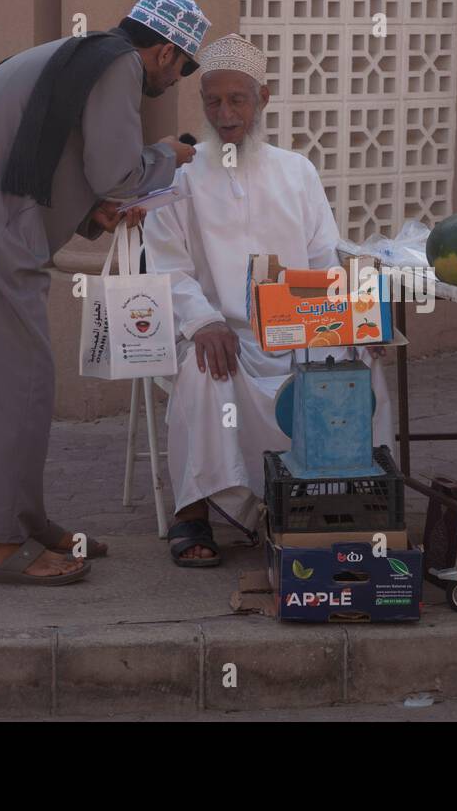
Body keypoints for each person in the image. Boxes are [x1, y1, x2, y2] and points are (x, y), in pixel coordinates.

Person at [0, 0, 210, 585]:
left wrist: (93, 216)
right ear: (165, 51)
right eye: (183, 67)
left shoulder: (84, 54)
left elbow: (51, 155)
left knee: (5, 376)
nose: (176, 78)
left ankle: (21, 520)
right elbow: (115, 171)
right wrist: (169, 155)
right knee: (17, 378)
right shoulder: (118, 66)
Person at [142, 34, 394, 566]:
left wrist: (357, 322)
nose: (225, 112)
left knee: (361, 359)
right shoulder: (180, 174)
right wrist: (203, 321)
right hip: (222, 335)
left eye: (238, 99)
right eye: (213, 100)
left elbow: (325, 258)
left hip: (296, 329)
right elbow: (167, 267)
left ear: (264, 97)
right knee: (203, 370)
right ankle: (193, 514)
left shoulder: (296, 170)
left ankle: (338, 499)